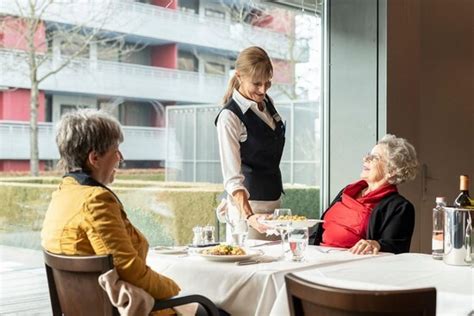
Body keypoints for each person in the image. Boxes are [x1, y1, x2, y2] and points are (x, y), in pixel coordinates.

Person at [41, 109, 181, 303]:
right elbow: (129, 270)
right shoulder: (95, 201)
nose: (120, 157)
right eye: (116, 150)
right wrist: (176, 288)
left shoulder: (63, 194)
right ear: (94, 158)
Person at [215, 46, 285, 239]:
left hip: (273, 203)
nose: (263, 90)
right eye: (256, 84)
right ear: (239, 76)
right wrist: (250, 216)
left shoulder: (266, 103)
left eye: (267, 83)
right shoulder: (229, 117)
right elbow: (232, 179)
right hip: (247, 208)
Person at [312, 134, 419, 254]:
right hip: (319, 255)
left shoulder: (400, 207)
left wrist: (376, 244)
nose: (365, 159)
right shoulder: (348, 191)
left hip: (352, 264)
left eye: (374, 157)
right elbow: (320, 231)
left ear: (392, 171)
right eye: (368, 155)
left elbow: (396, 247)